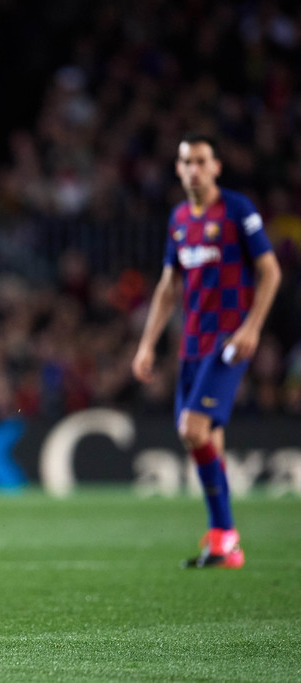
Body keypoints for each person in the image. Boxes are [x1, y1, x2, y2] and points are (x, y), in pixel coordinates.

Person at [132, 133, 281, 569]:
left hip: (228, 341)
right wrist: (146, 344)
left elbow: (269, 272)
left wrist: (252, 327)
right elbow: (167, 286)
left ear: (216, 166)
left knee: (191, 430)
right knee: (208, 439)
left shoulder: (238, 210)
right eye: (186, 162)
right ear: (178, 170)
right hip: (192, 345)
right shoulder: (179, 218)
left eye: (201, 161)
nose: (193, 169)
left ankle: (224, 532)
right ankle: (224, 544)